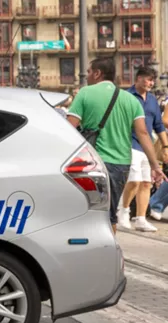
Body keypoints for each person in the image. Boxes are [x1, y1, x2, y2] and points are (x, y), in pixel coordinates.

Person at [66, 57, 164, 234]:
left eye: (89, 72)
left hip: (91, 162)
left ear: (97, 73)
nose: (87, 76)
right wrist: (155, 166)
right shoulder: (130, 100)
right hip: (121, 164)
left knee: (86, 211)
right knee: (110, 215)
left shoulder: (85, 93)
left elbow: (68, 128)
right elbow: (143, 133)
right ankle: (109, 245)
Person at [117, 67, 168, 231]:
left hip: (147, 146)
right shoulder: (125, 96)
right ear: (138, 78)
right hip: (129, 144)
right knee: (134, 180)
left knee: (146, 183)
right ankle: (123, 211)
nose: (151, 83)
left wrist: (165, 146)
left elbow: (159, 125)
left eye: (153, 80)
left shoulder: (152, 100)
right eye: (148, 79)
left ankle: (140, 219)